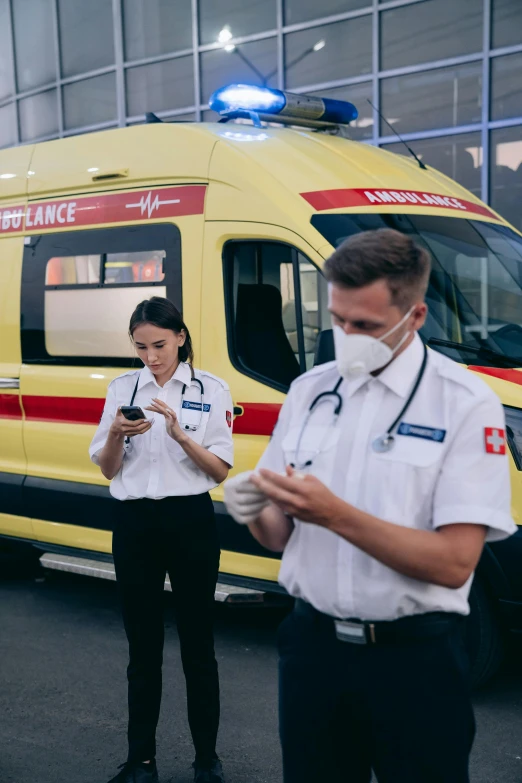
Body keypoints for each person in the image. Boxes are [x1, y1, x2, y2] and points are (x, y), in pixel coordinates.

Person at [224, 228, 516, 783]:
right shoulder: (311, 391)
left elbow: (455, 561)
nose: (347, 337)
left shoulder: (464, 402)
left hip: (414, 662)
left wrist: (335, 514)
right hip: (313, 652)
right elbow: (282, 536)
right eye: (337, 320)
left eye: (366, 326)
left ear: (416, 316)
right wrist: (254, 508)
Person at [89, 296, 233, 783]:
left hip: (190, 520)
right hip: (134, 525)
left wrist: (181, 435)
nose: (151, 356)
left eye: (159, 345)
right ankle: (140, 761)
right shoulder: (121, 388)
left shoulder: (211, 389)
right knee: (142, 648)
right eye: (141, 346)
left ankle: (207, 762)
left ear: (180, 338)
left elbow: (219, 472)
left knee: (198, 646)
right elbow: (109, 469)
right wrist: (115, 433)